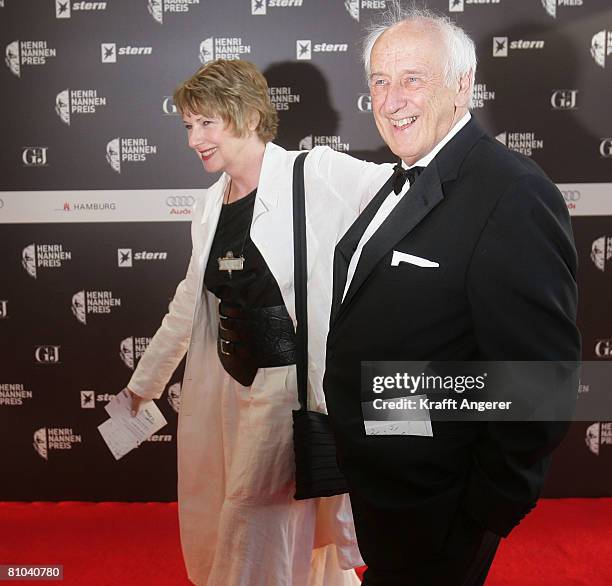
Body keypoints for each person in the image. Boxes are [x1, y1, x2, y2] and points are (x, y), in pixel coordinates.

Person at [322, 5, 581, 586]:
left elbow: (540, 386)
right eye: (380, 83)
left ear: (463, 85)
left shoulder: (510, 192)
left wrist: (480, 512)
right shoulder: (403, 172)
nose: (391, 101)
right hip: (390, 491)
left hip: (441, 509)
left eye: (413, 79)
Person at [124, 59, 394, 586]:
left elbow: (401, 193)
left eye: (206, 123)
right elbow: (189, 302)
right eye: (187, 126)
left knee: (255, 516)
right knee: (240, 513)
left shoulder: (313, 172)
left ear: (247, 116)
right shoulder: (209, 204)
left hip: (286, 384)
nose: (193, 140)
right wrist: (144, 383)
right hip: (224, 388)